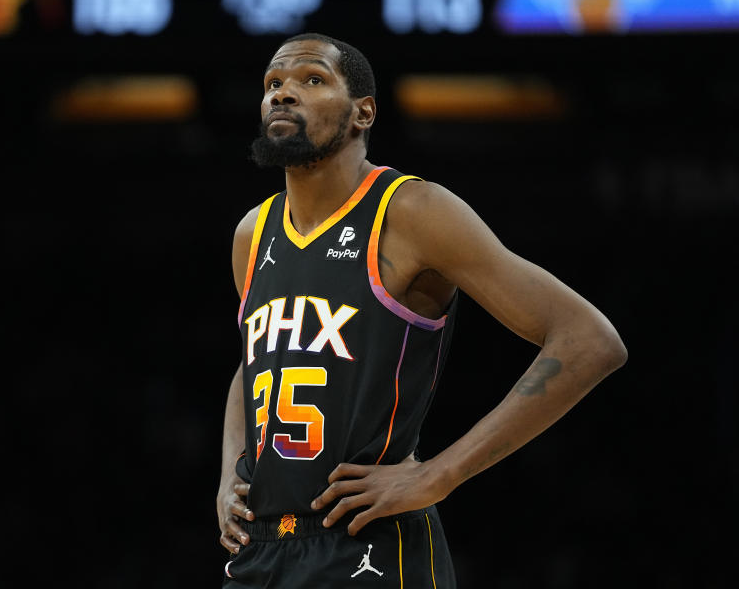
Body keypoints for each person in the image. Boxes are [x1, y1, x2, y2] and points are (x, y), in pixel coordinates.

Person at [217, 33, 627, 588]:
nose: (283, 93)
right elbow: (256, 363)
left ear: (363, 112)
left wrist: (440, 474)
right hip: (260, 550)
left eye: (312, 80)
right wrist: (229, 473)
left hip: (369, 542)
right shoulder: (253, 232)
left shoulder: (411, 211)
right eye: (273, 83)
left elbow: (588, 340)